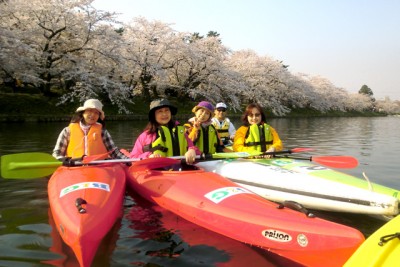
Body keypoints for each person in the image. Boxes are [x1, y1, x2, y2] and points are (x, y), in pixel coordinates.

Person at [52, 99, 129, 162]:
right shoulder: (67, 131)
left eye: (96, 113)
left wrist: (128, 160)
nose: (92, 115)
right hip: (74, 166)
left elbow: (114, 152)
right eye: (89, 111)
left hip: (99, 166)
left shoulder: (102, 132)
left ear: (99, 116)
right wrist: (65, 161)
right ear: (83, 113)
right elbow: (57, 154)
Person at [130, 99, 199, 164]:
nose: (164, 114)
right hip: (156, 172)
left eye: (167, 110)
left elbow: (194, 149)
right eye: (160, 111)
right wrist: (148, 156)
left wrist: (192, 150)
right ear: (154, 116)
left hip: (181, 170)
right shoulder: (145, 136)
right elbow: (133, 158)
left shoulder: (180, 132)